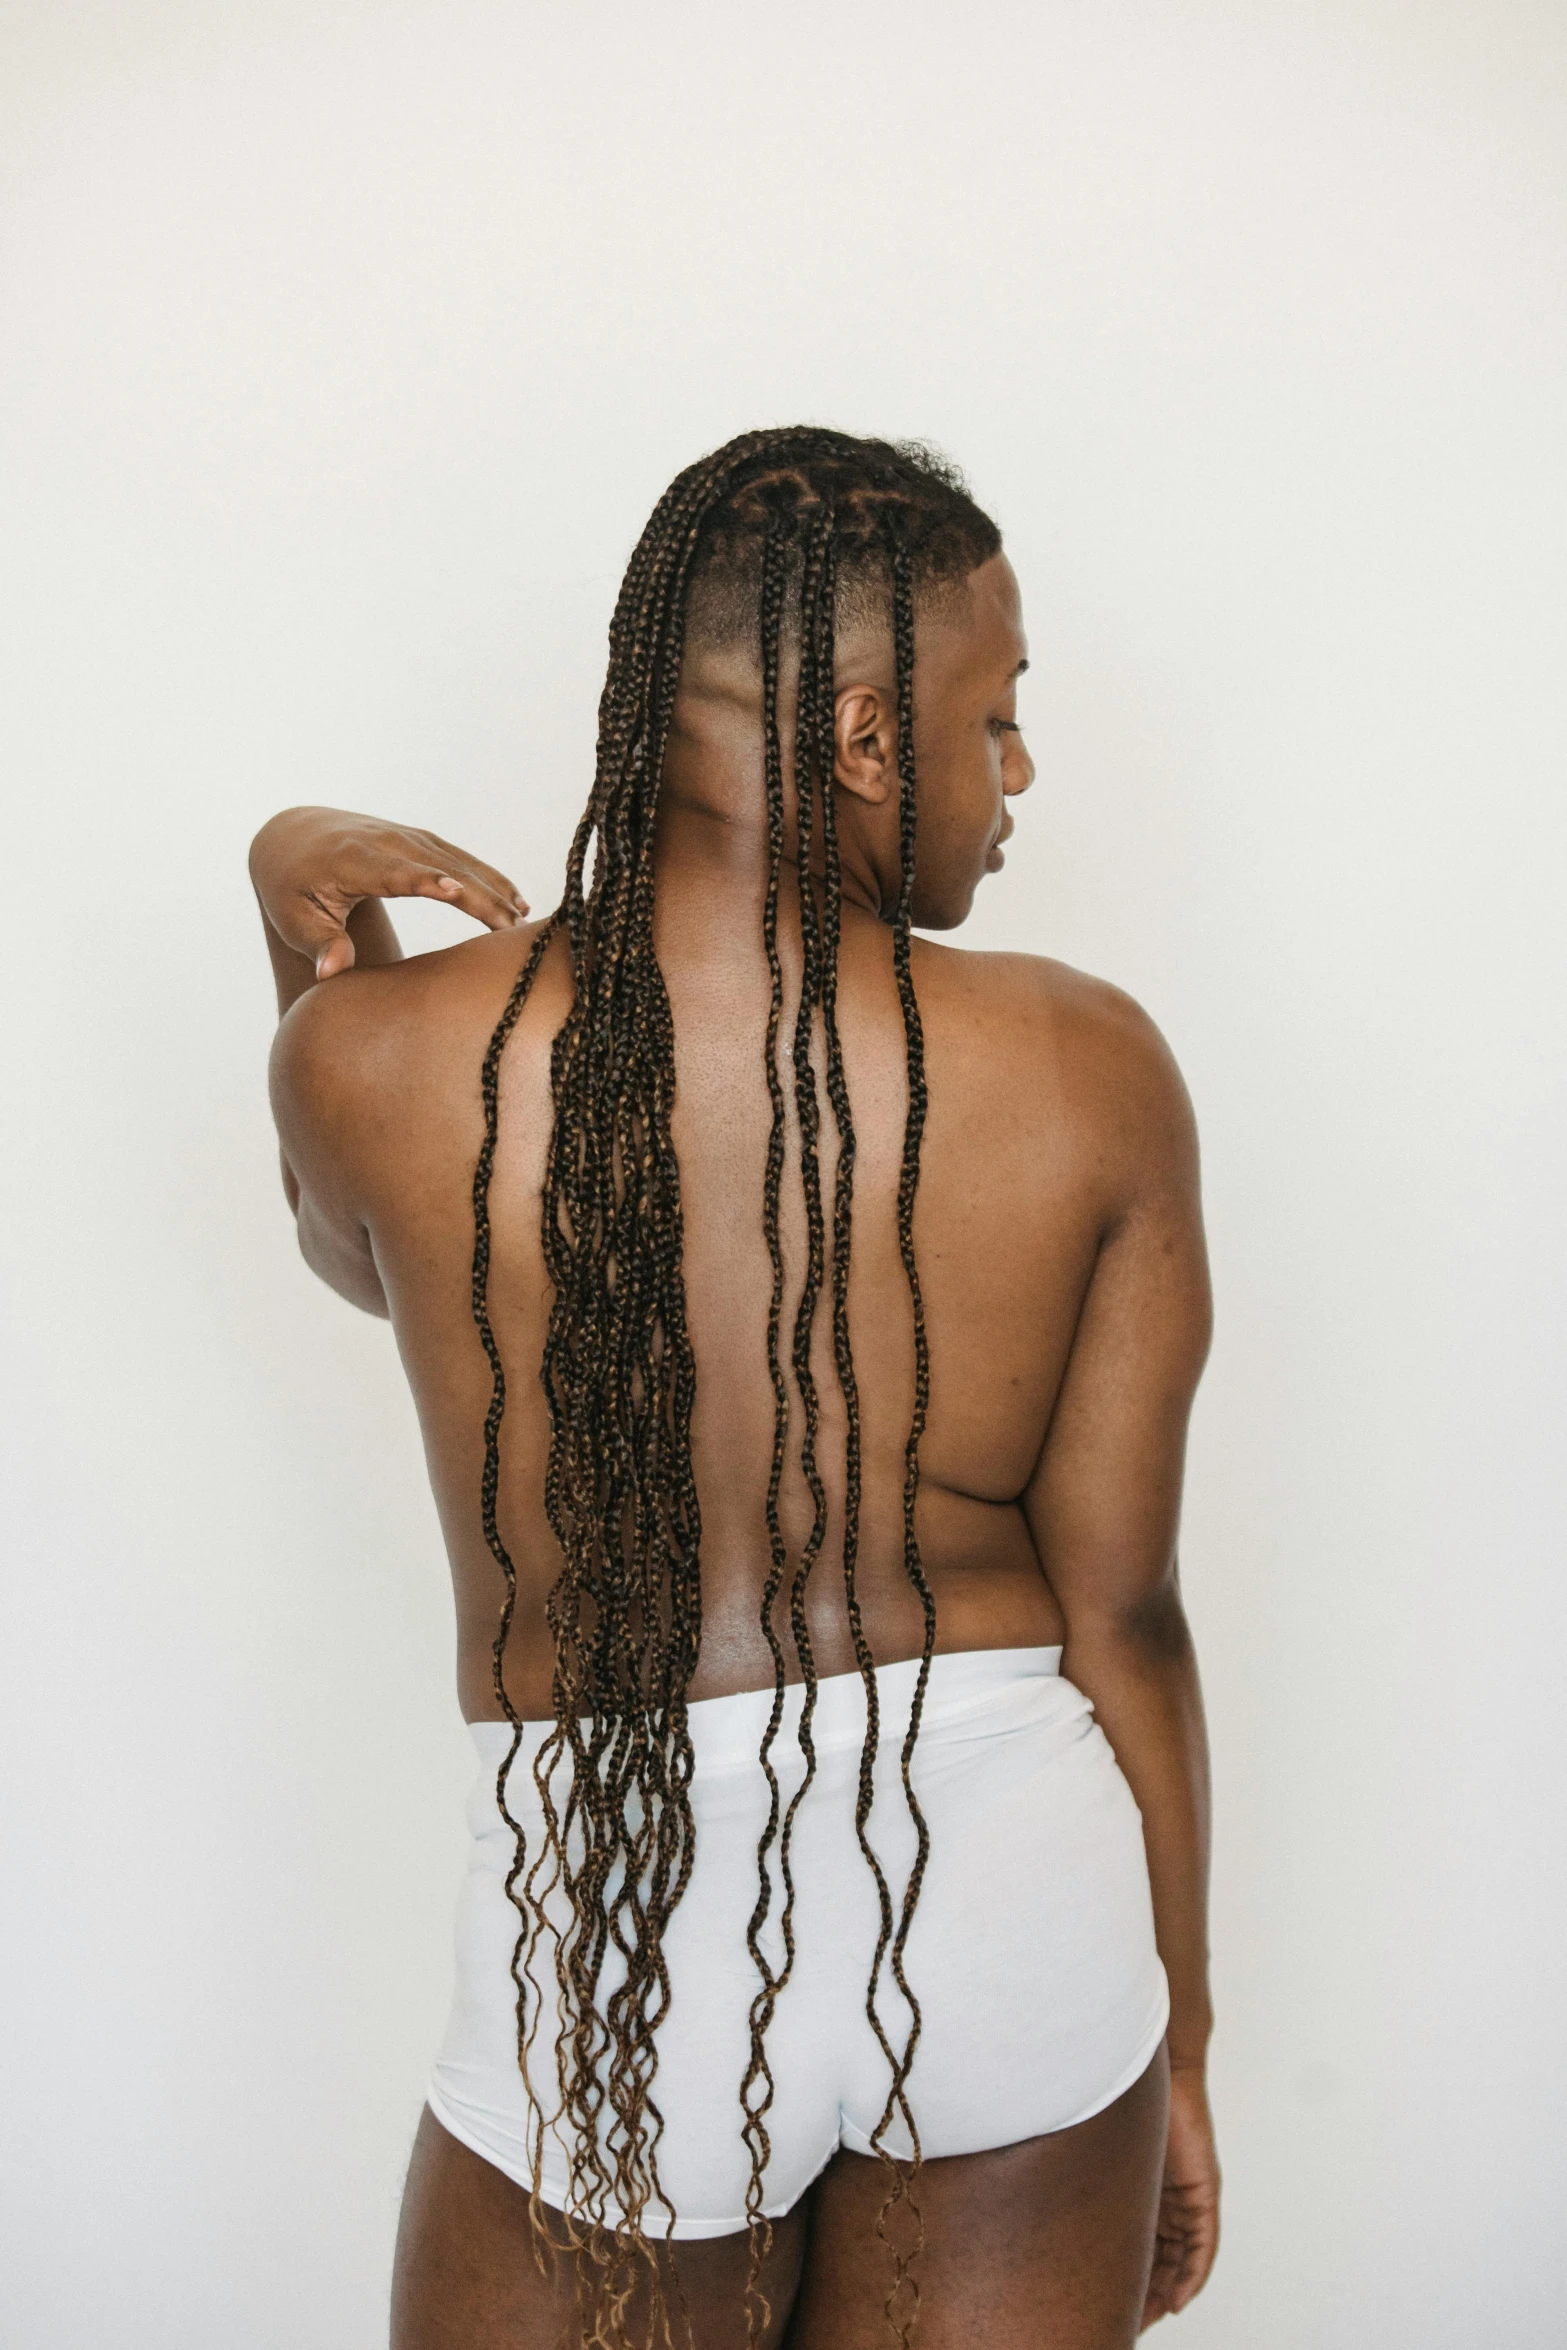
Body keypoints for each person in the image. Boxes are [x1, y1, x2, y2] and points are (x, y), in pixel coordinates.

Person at [250, 428, 1220, 2350]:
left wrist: (302, 944)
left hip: (611, 1893)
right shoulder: (1090, 1063)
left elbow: (355, 1256)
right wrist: (1179, 2047)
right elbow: (1128, 1614)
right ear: (864, 739)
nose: (1014, 773)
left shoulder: (378, 1059)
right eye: (996, 717)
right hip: (1010, 1888)